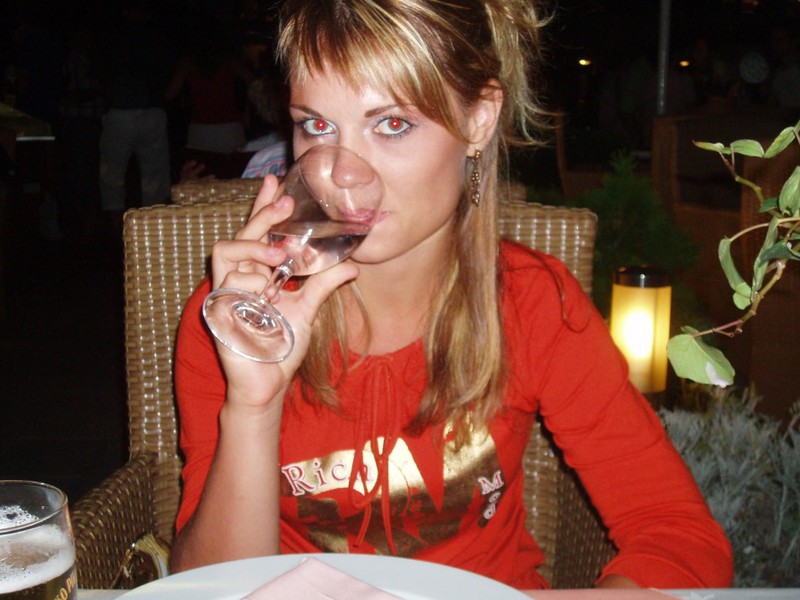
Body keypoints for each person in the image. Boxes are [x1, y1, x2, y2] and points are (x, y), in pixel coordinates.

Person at [169, 0, 733, 591]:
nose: (340, 172)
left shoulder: (531, 303)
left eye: (392, 125)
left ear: (479, 119)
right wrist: (254, 405)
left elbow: (679, 536)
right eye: (317, 126)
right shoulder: (242, 317)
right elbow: (211, 589)